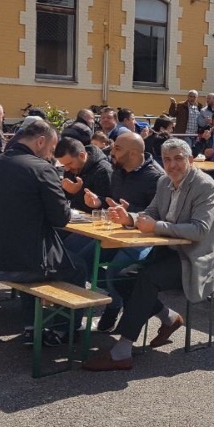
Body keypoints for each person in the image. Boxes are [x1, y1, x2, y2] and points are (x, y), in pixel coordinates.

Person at [83, 138, 214, 372]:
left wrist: (157, 226)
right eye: (167, 160)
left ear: (191, 160)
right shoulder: (164, 182)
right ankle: (168, 317)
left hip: (198, 257)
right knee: (121, 276)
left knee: (147, 278)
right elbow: (150, 213)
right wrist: (129, 218)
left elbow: (199, 230)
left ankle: (122, 351)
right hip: (169, 250)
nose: (172, 165)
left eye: (178, 159)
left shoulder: (204, 185)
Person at [0, 120, 85, 346]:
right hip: (18, 264)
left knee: (35, 255)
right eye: (51, 149)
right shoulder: (41, 169)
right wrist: (68, 198)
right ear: (40, 142)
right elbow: (61, 218)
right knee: (76, 267)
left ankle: (32, 326)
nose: (51, 155)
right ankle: (64, 330)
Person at [80, 132, 166, 332]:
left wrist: (131, 213)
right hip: (116, 234)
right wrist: (99, 202)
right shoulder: (118, 171)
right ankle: (116, 299)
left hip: (143, 239)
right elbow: (114, 202)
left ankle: (115, 306)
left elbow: (160, 215)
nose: (112, 152)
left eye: (117, 148)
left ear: (134, 153)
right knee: (82, 262)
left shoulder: (156, 177)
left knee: (115, 273)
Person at [54, 136, 112, 213]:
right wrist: (66, 192)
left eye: (69, 163)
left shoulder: (103, 171)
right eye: (64, 165)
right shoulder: (70, 170)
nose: (66, 169)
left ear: (82, 156)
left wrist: (77, 192)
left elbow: (109, 204)